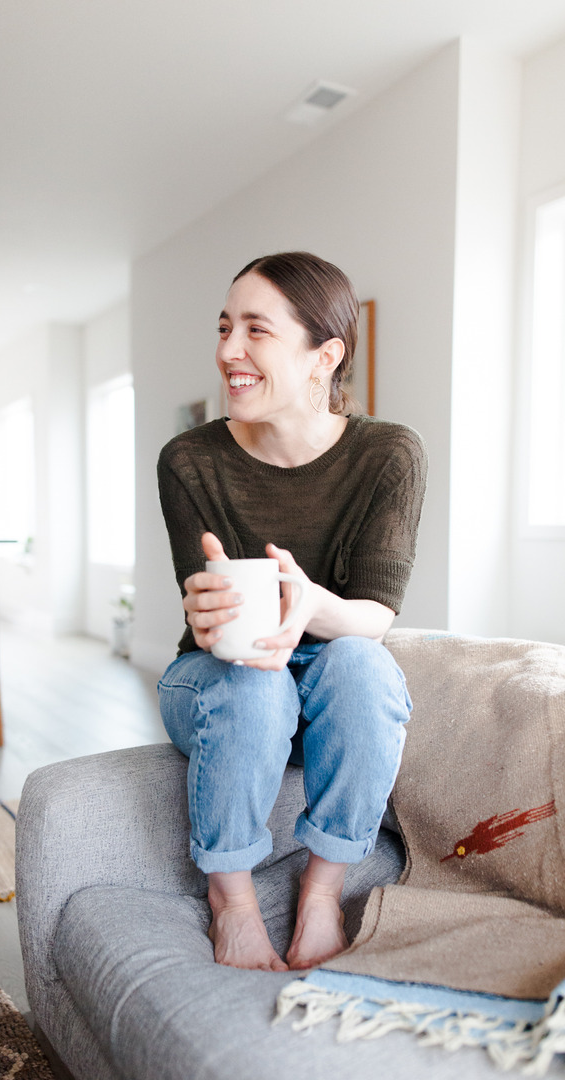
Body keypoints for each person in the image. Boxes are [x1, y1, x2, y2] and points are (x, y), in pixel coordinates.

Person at [157, 251, 427, 974]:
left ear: (323, 356)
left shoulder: (389, 456)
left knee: (363, 664)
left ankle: (320, 893)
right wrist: (210, 616)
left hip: (331, 670)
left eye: (255, 330)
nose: (227, 351)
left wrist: (311, 604)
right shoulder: (189, 460)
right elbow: (207, 614)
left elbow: (375, 616)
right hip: (215, 676)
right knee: (255, 682)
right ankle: (233, 905)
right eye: (223, 327)